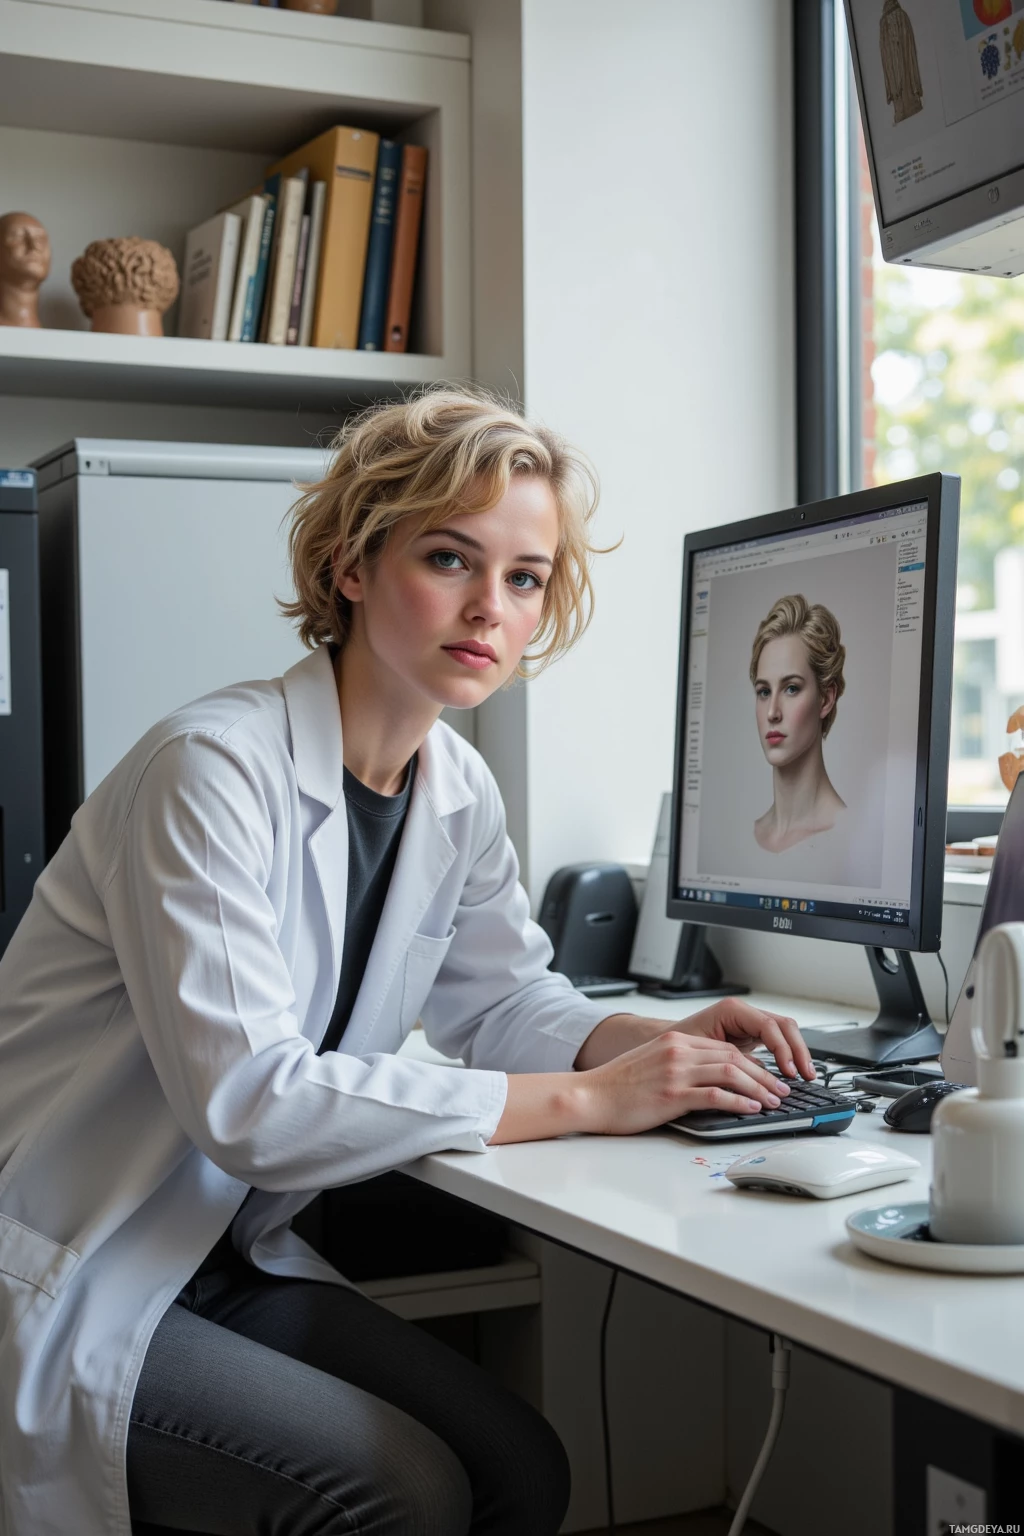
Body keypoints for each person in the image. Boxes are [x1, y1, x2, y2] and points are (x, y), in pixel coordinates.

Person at [0, 388, 815, 1536]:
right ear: (348, 565)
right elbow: (252, 1105)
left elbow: (503, 999)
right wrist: (591, 1095)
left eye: (525, 578)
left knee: (522, 1466)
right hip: (74, 1259)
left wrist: (647, 1042)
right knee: (395, 1491)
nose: (491, 606)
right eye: (450, 558)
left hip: (215, 1256)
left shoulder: (454, 785)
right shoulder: (208, 771)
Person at [750, 593, 847, 854]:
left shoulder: (850, 839)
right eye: (764, 691)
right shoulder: (745, 837)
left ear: (825, 699)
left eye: (791, 688)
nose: (772, 712)